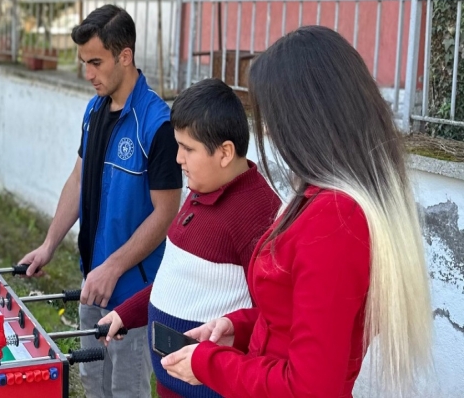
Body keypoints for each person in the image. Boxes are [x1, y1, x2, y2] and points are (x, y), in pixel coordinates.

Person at [161, 26, 432, 397]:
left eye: (273, 115)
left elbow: (308, 387)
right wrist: (237, 326)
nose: (269, 129)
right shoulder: (324, 201)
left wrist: (209, 364)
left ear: (307, 118)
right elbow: (299, 319)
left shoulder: (335, 219)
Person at [18, 4, 182, 398]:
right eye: (83, 63)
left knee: (126, 391)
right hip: (94, 282)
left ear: (125, 56)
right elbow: (77, 180)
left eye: (96, 62)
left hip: (132, 295)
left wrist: (113, 268)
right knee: (93, 385)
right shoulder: (93, 110)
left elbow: (166, 213)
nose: (88, 73)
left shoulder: (157, 124)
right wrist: (48, 245)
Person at [99, 78, 281, 398]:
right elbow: (178, 280)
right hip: (171, 381)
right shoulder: (199, 192)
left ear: (225, 152)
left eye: (187, 149)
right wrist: (126, 312)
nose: (178, 159)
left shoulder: (257, 214)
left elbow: (272, 318)